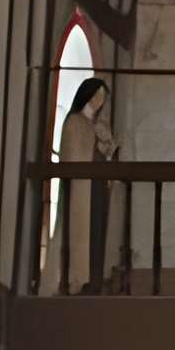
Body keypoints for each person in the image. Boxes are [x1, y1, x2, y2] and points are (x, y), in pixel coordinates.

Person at [43, 76, 116, 293]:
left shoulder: (96, 127)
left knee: (97, 234)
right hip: (82, 190)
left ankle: (92, 282)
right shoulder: (75, 122)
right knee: (78, 234)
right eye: (96, 95)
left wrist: (108, 150)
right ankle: (75, 281)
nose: (98, 101)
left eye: (102, 97)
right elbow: (74, 157)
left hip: (97, 189)